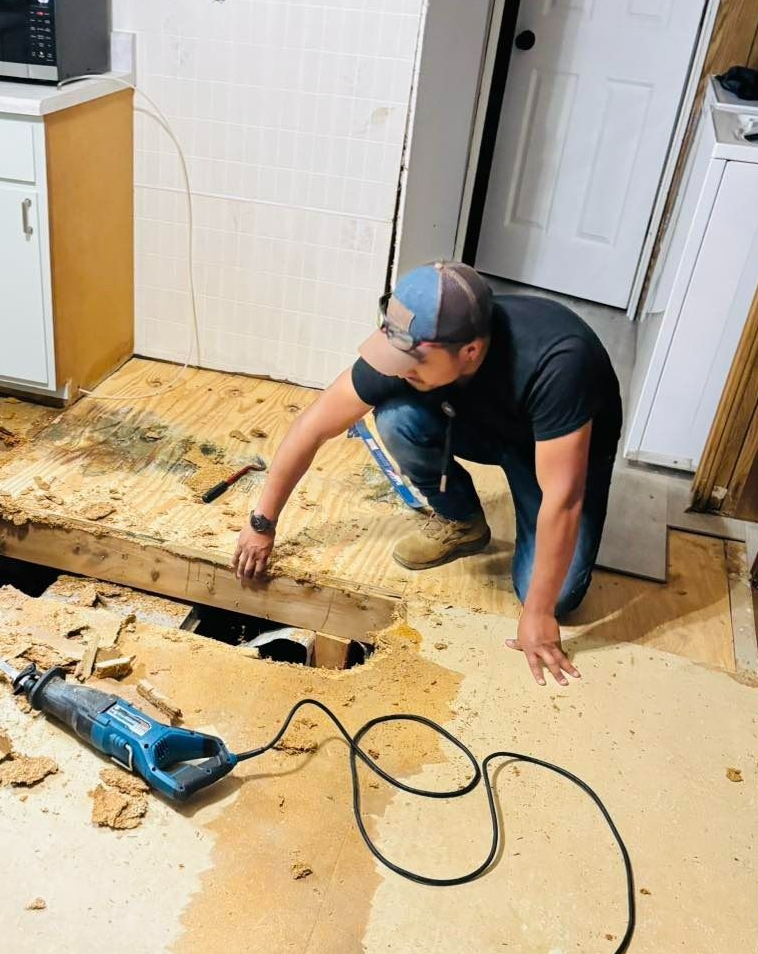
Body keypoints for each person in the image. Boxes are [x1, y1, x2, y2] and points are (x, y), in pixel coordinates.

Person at [232, 262, 623, 687]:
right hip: (486, 423)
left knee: (554, 594)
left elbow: (562, 501)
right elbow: (315, 424)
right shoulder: (414, 354)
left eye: (412, 362)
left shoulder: (559, 361)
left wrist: (539, 613)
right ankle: (461, 520)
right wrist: (261, 523)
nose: (399, 369)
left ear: (470, 351)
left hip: (555, 447)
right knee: (398, 418)